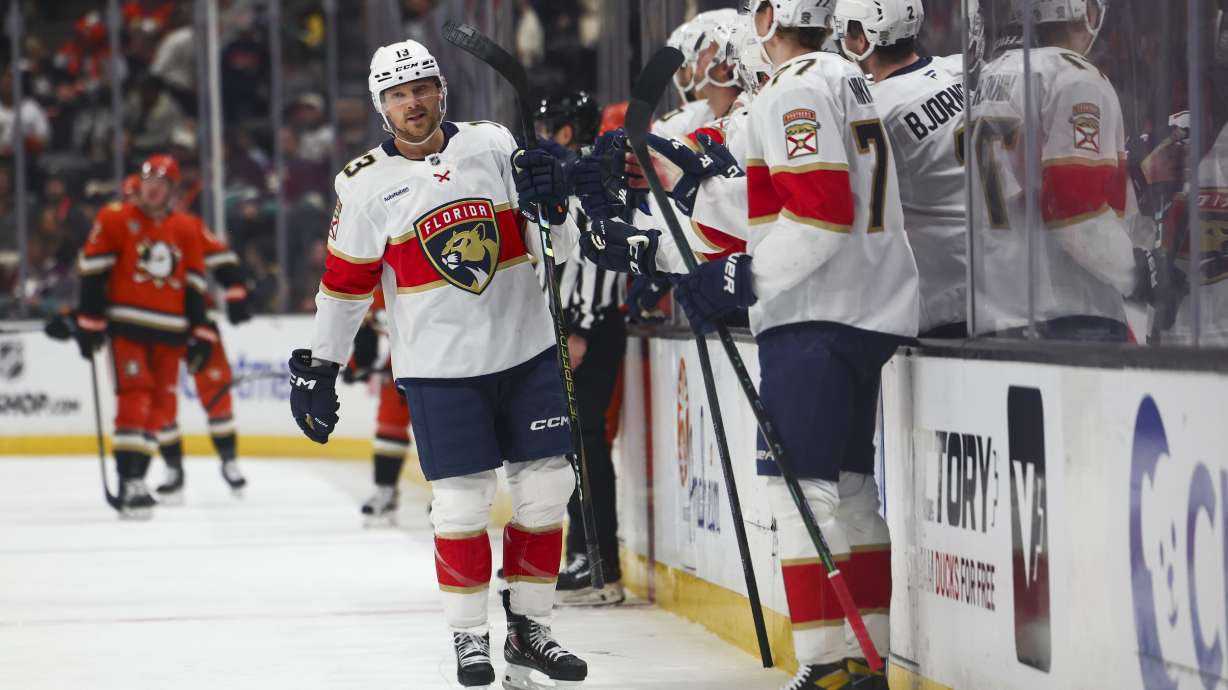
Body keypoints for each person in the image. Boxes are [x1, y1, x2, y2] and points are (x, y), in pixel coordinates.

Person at [579, 1, 919, 687]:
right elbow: (772, 207)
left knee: (797, 494)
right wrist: (671, 229)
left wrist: (743, 279)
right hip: (867, 309)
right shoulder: (842, 77)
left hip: (815, 318)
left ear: (770, 17)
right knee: (850, 491)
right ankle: (866, 656)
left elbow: (818, 218)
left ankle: (824, 663)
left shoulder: (794, 88)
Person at [285, 40, 588, 689]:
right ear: (381, 105)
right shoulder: (365, 182)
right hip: (440, 370)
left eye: (421, 87)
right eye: (398, 94)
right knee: (460, 505)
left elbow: (557, 246)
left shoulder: (492, 143)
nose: (413, 102)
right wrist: (320, 365)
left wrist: (556, 205)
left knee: (546, 490)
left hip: (527, 350)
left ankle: (530, 628)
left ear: (440, 90)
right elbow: (343, 287)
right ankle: (470, 637)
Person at [969, 0, 1179, 341]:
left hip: (998, 302)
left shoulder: (993, 74)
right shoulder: (1076, 79)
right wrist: (1138, 272)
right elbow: (1071, 206)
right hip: (1066, 307)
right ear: (1081, 10)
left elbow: (1033, 180)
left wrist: (1136, 177)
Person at [74, 154, 216, 519]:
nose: (153, 188)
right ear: (139, 183)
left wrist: (201, 333)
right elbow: (92, 272)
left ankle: (139, 475)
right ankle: (130, 480)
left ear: (172, 190)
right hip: (127, 327)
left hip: (171, 332)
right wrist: (89, 323)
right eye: (148, 180)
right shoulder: (115, 218)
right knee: (134, 397)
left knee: (161, 407)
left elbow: (194, 286)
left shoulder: (185, 228)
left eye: (162, 183)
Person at [539, 91, 628, 606]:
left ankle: (599, 565)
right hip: (580, 325)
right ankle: (585, 556)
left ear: (568, 131)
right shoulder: (576, 172)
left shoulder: (586, 175)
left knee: (586, 442)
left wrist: (581, 330)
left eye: (550, 127)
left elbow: (595, 258)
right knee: (578, 441)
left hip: (589, 329)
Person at [834, 0, 969, 337]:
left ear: (862, 39)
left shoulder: (873, 110)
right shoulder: (961, 70)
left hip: (939, 297)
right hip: (1001, 284)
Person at [150, 164, 253, 502]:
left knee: (216, 387)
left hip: (197, 321)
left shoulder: (188, 225)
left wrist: (235, 290)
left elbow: (222, 260)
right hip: (154, 323)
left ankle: (229, 461)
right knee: (159, 400)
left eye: (161, 184)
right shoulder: (130, 227)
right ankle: (172, 469)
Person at [344, 288, 413, 526]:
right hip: (401, 365)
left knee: (444, 430)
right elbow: (369, 332)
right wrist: (358, 364)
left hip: (445, 363)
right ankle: (386, 491)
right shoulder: (372, 284)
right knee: (389, 426)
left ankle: (450, 495)